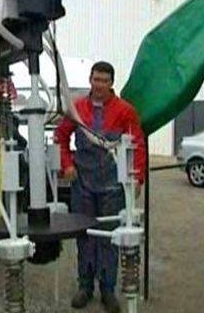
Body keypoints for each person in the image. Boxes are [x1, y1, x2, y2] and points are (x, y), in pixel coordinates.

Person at [54, 61, 146, 313]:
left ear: (112, 83)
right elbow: (60, 137)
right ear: (90, 79)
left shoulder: (125, 110)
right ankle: (85, 286)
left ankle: (107, 288)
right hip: (82, 185)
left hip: (112, 187)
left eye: (105, 80)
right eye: (96, 79)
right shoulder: (77, 108)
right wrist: (67, 165)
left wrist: (137, 179)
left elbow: (137, 144)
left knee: (109, 237)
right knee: (84, 236)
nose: (100, 85)